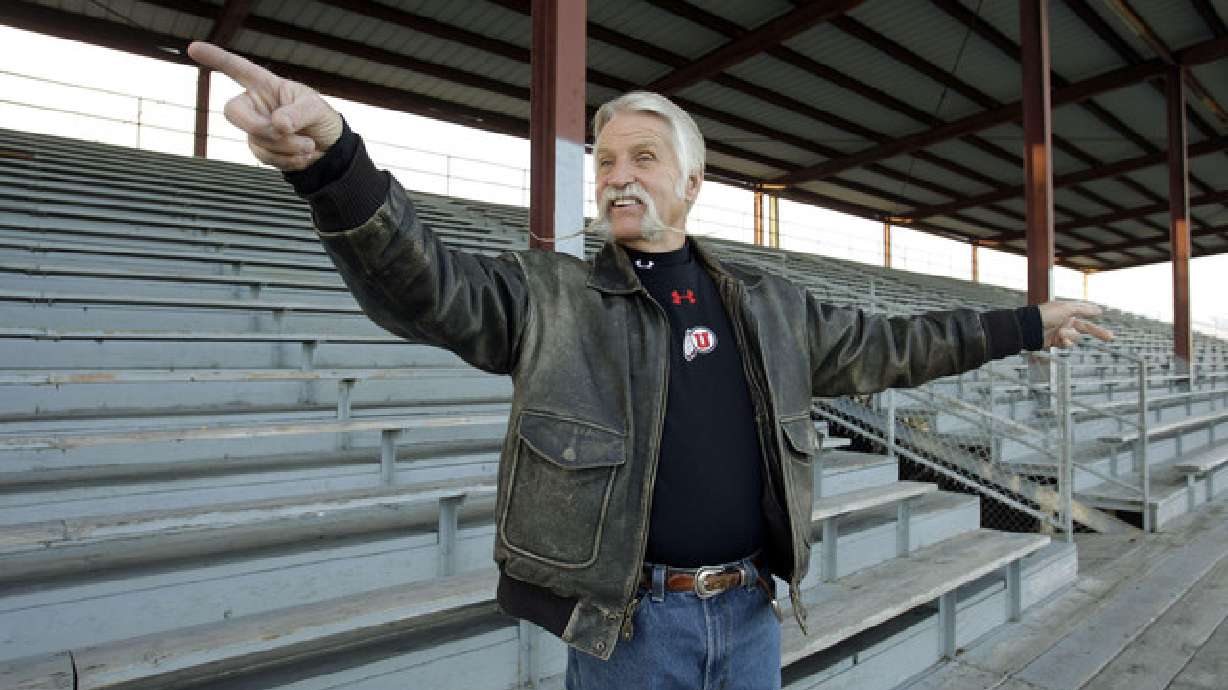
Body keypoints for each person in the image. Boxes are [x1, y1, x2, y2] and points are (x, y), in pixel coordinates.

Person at [187, 41, 1114, 690]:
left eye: (642, 156)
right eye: (604, 160)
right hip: (628, 631)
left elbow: (898, 346)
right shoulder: (553, 297)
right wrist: (334, 166)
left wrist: (1030, 322)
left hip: (752, 615)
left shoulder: (770, 307)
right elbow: (429, 287)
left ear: (691, 183)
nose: (617, 174)